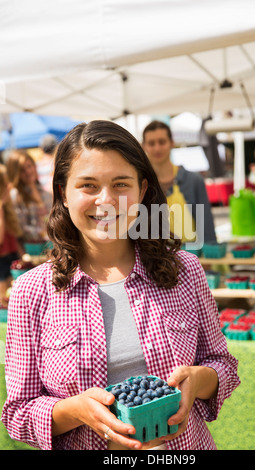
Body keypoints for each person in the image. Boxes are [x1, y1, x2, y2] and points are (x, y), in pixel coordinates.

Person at [1, 120, 240, 451]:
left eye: (120, 184)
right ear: (63, 193)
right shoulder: (32, 292)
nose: (106, 200)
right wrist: (75, 411)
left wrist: (200, 380)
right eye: (88, 185)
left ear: (142, 191)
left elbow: (223, 364)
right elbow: (18, 414)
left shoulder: (185, 270)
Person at [142, 120, 216, 248]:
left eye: (162, 142)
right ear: (143, 146)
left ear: (172, 143)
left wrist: (209, 256)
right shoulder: (141, 185)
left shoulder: (194, 180)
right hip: (153, 261)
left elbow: (206, 226)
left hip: (191, 259)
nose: (157, 148)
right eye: (151, 143)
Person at [6, 149, 52, 244]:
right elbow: (19, 228)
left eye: (29, 166)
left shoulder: (44, 191)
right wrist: (42, 232)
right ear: (15, 173)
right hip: (32, 249)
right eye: (22, 170)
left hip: (51, 245)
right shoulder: (15, 195)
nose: (28, 172)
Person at [0, 165, 23, 306]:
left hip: (12, 257)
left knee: (12, 299)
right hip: (1, 262)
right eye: (5, 182)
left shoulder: (7, 209)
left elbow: (14, 237)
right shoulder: (2, 209)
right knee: (4, 302)